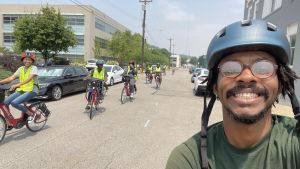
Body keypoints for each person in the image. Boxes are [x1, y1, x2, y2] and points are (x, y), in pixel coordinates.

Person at [166, 19, 300, 169]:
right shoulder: (189, 159)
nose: (247, 77)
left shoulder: (294, 143)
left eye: (263, 67)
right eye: (230, 68)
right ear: (215, 86)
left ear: (281, 84)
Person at [0, 51, 39, 123]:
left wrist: (17, 85)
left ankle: (33, 114)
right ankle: (9, 120)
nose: (27, 61)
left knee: (14, 103)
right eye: (26, 59)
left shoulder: (34, 68)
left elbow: (29, 79)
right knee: (5, 102)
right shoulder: (20, 68)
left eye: (29, 60)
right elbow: (11, 78)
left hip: (32, 90)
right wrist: (0, 81)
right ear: (23, 60)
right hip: (22, 89)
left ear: (32, 61)